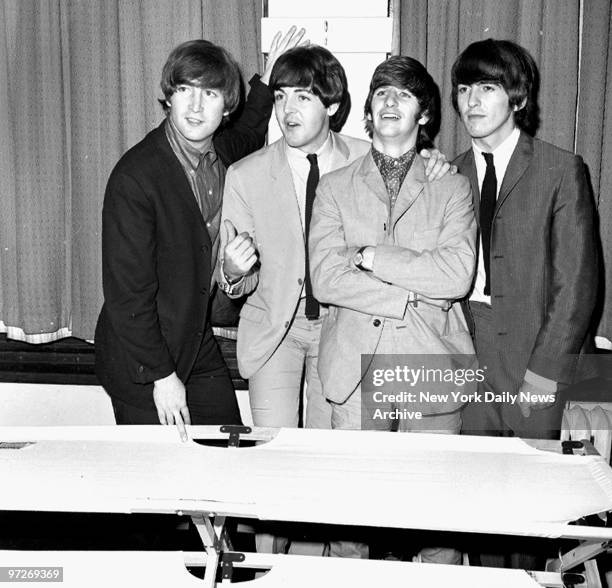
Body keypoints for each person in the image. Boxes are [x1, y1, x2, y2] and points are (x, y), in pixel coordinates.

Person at [219, 45, 452, 432]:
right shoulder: (246, 174)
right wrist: (231, 271)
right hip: (277, 328)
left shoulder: (368, 157)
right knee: (274, 450)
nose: (287, 110)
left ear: (331, 104)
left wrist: (431, 158)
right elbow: (240, 280)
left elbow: (412, 172)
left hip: (344, 325)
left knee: (328, 454)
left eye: (303, 97)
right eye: (280, 97)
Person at [95, 30, 304, 440]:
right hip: (141, 356)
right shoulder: (136, 177)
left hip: (194, 340)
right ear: (168, 97)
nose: (194, 105)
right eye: (185, 89)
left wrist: (269, 75)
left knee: (232, 450)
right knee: (159, 487)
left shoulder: (223, 152)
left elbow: (250, 127)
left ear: (225, 106)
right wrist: (162, 377)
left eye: (209, 94)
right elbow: (127, 295)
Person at [308, 55, 476, 562]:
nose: (389, 101)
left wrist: (371, 258)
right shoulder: (335, 186)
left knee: (436, 521)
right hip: (355, 368)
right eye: (381, 92)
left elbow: (455, 276)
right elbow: (325, 278)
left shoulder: (451, 185)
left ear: (424, 114)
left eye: (403, 93)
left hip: (430, 359)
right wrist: (407, 293)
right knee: (351, 524)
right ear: (367, 109)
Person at [451, 39, 598, 441]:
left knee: (537, 488)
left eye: (487, 88)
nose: (472, 102)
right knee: (470, 483)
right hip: (467, 348)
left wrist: (545, 370)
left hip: (536, 347)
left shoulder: (560, 169)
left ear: (517, 99)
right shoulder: (449, 174)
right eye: (464, 89)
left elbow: (576, 286)